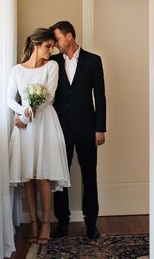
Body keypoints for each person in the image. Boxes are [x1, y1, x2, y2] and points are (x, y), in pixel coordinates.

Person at [7, 28, 70, 245]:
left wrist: (25, 117)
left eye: (52, 46)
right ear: (36, 44)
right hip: (24, 127)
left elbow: (48, 97)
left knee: (43, 175)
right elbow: (9, 99)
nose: (50, 50)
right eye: (47, 46)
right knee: (28, 176)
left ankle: (45, 224)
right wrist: (21, 112)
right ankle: (33, 223)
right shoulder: (17, 70)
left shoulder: (51, 66)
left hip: (43, 123)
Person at [50, 21, 106, 240]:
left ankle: (91, 223)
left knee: (89, 176)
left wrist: (100, 128)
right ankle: (62, 222)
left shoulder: (93, 61)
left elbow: (100, 97)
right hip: (59, 129)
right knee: (60, 178)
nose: (55, 44)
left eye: (58, 39)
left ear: (69, 36)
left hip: (87, 129)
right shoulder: (52, 62)